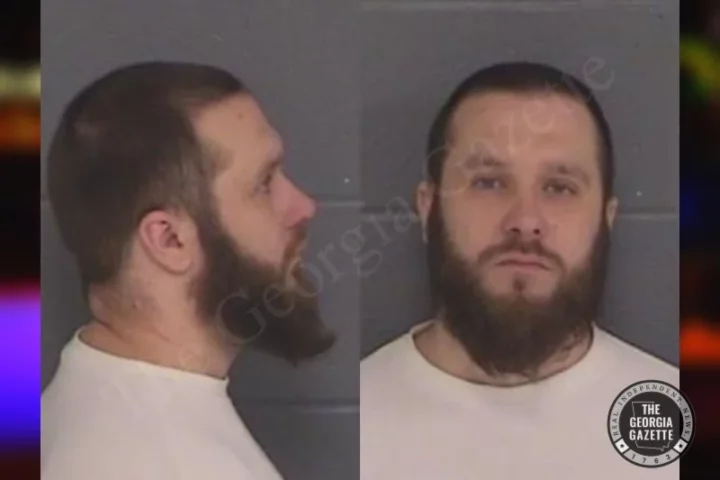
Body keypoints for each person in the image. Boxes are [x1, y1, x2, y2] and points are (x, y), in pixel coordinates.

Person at [361, 62, 678, 479]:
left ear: (607, 218)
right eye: (489, 183)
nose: (526, 221)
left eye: (559, 188)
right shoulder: (361, 421)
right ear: (428, 208)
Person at [41, 62, 336, 480]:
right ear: (169, 240)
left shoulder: (81, 401)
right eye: (264, 184)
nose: (304, 207)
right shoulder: (178, 463)